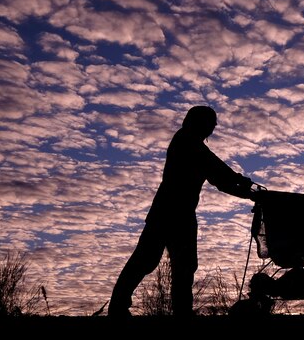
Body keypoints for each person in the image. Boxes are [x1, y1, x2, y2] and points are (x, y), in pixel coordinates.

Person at [108, 105, 255, 317]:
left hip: (176, 214)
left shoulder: (190, 143)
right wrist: (241, 182)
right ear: (198, 122)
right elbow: (216, 169)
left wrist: (246, 192)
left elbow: (219, 179)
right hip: (171, 214)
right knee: (152, 262)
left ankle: (177, 311)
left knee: (175, 265)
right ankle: (124, 307)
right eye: (210, 124)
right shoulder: (187, 142)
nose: (212, 128)